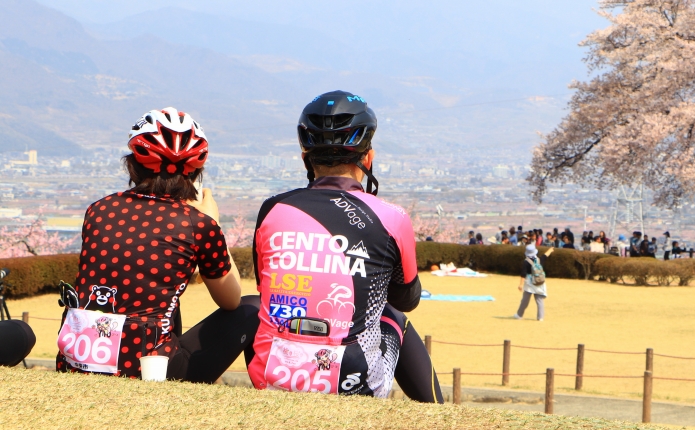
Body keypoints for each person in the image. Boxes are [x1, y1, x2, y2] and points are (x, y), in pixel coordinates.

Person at [248, 91, 442, 402]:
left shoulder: (272, 208)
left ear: (305, 159)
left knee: (255, 307)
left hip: (272, 376)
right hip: (352, 382)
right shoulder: (393, 217)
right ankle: (439, 417)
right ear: (368, 159)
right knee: (393, 317)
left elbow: (264, 286)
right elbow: (407, 299)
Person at [56, 107, 258, 380]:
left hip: (77, 360)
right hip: (150, 369)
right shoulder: (196, 224)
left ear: (133, 165)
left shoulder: (99, 210)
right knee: (252, 308)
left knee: (164, 297)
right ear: (195, 173)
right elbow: (231, 300)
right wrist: (214, 223)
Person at [513, 244, 546, 321]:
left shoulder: (526, 261)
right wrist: (550, 250)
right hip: (539, 281)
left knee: (525, 300)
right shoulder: (539, 259)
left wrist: (520, 284)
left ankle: (519, 315)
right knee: (539, 300)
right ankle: (540, 317)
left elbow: (523, 274)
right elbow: (545, 256)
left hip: (530, 282)